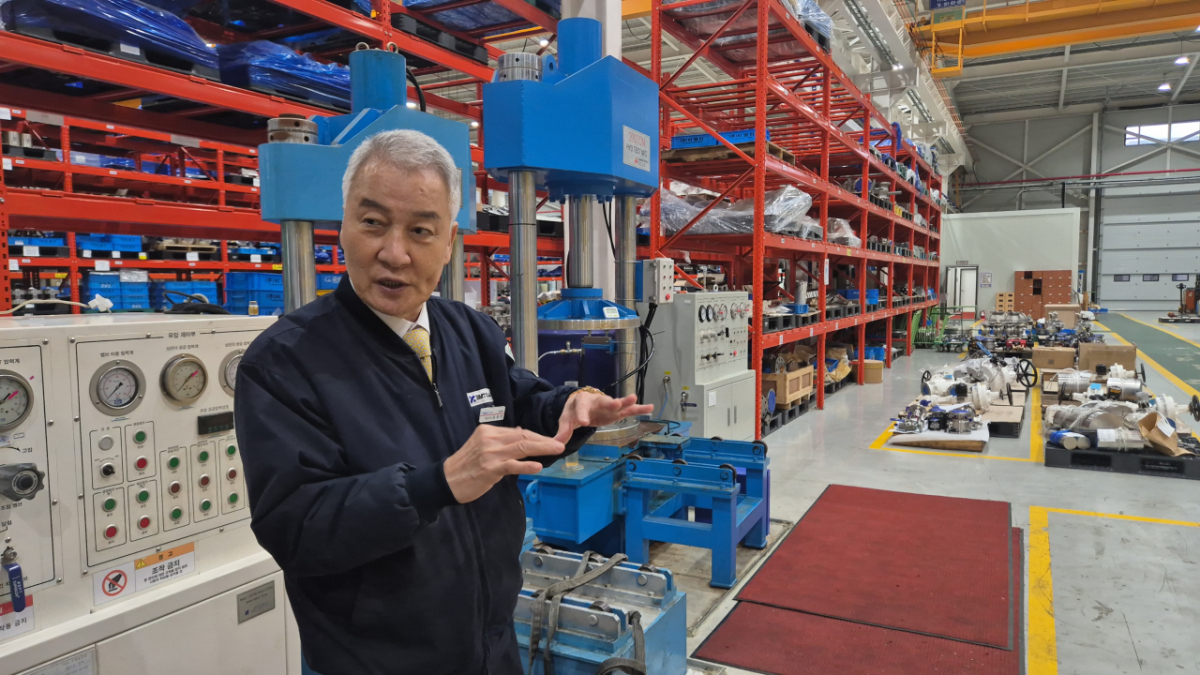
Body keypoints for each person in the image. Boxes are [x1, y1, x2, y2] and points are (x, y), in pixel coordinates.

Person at [235, 129, 652, 675]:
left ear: (449, 241)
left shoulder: (467, 331)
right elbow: (296, 527)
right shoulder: (285, 363)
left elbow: (521, 408)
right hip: (375, 661)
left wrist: (572, 409)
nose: (394, 252)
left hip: (492, 642)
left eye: (420, 230)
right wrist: (436, 483)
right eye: (372, 223)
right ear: (342, 226)